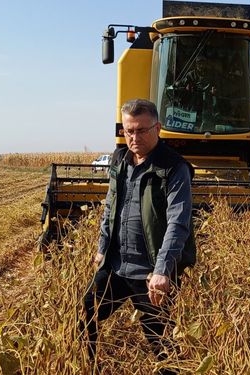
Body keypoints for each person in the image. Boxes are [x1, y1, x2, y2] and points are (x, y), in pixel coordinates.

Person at [82, 99, 196, 373]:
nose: (134, 137)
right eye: (129, 130)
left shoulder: (174, 167)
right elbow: (111, 205)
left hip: (150, 274)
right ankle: (89, 367)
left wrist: (162, 271)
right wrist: (102, 247)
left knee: (163, 345)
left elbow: (177, 223)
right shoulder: (120, 159)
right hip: (116, 267)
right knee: (85, 315)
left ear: (157, 128)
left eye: (142, 130)